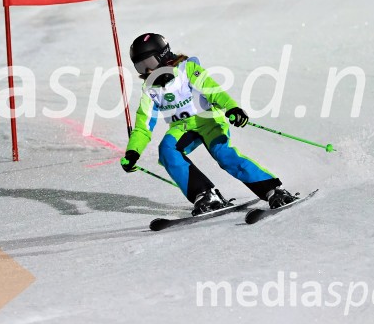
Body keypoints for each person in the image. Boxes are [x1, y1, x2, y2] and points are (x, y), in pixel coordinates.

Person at [120, 33, 297, 215]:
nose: (147, 71)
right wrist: (133, 152)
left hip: (209, 121)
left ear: (164, 55)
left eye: (149, 63)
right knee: (167, 150)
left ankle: (273, 190)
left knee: (224, 155)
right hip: (181, 128)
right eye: (140, 66)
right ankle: (205, 194)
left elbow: (213, 91)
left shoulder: (187, 69)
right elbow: (143, 124)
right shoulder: (150, 89)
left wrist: (231, 108)